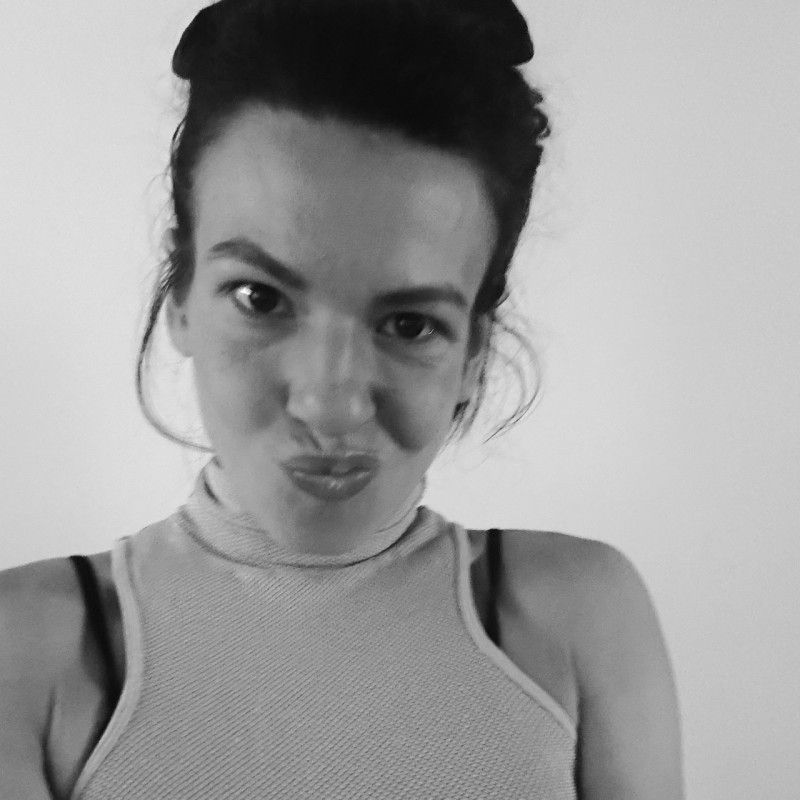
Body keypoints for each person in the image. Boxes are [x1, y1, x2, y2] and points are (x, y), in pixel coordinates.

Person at [0, 0, 684, 797]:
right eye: (260, 298)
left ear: (474, 352)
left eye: (409, 324)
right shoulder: (27, 648)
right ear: (179, 297)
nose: (329, 406)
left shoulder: (579, 618)